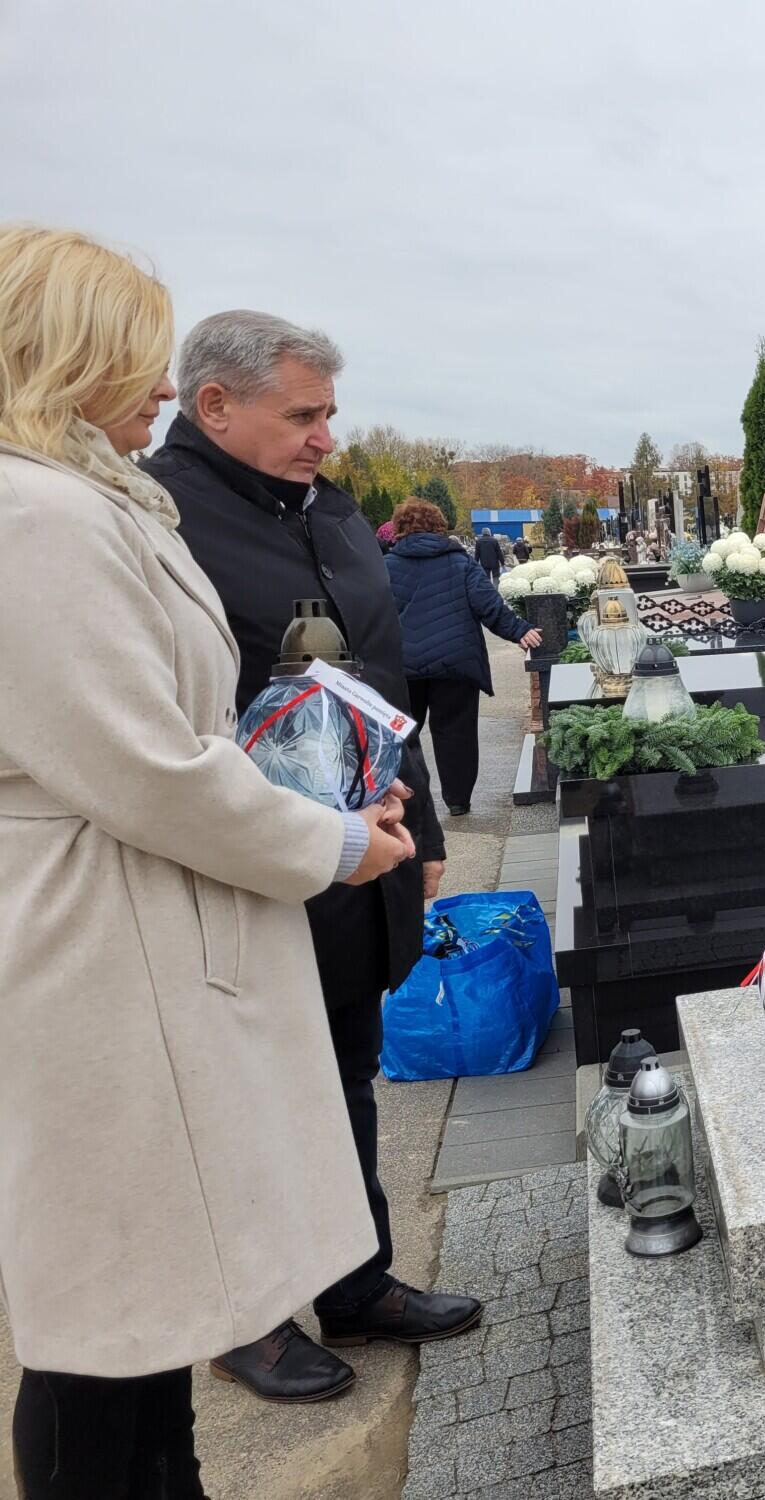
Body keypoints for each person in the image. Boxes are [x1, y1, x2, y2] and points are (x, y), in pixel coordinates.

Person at [0, 228, 410, 1496]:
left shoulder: (87, 498)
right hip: (106, 942)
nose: (165, 385)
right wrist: (330, 839)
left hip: (151, 921)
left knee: (144, 1312)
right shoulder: (36, 517)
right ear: (60, 356)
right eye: (138, 357)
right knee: (111, 1320)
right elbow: (145, 764)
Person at [145, 309, 483, 1404]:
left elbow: (382, 686)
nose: (325, 437)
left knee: (345, 1069)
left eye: (329, 414)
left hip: (359, 855)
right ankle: (246, 1317)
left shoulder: (330, 513)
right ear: (215, 405)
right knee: (241, 1094)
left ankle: (354, 1279)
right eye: (302, 416)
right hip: (241, 865)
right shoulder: (161, 520)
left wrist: (423, 836)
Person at [386, 499, 541, 814]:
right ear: (439, 526)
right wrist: (519, 631)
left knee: (400, 735)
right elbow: (488, 605)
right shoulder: (459, 563)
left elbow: (371, 615)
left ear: (399, 528)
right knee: (456, 733)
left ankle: (406, 801)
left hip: (403, 666)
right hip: (455, 662)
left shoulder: (385, 566)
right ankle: (457, 800)